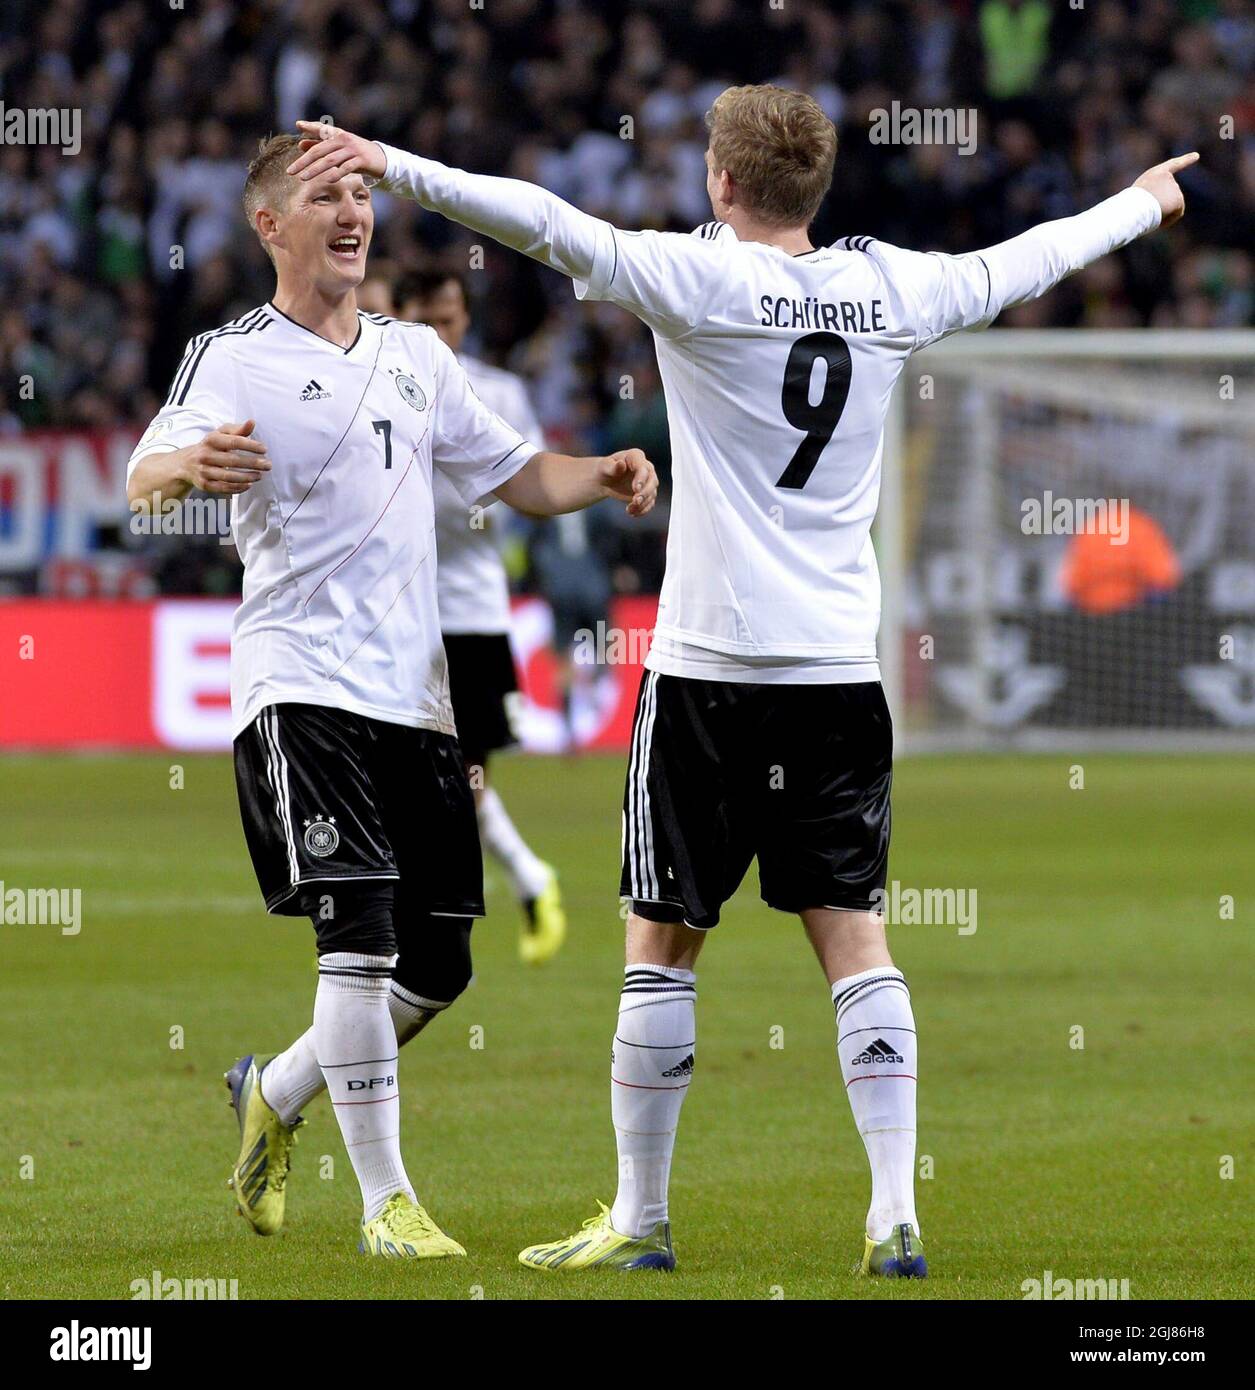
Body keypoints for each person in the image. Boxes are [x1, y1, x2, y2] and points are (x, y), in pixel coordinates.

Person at [286, 89, 1195, 1277]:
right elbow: (1022, 262)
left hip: (709, 669)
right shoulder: (892, 288)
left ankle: (641, 1217)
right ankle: (890, 1212)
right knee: (857, 942)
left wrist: (395, 161)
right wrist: (1137, 204)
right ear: (814, 190)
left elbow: (550, 225)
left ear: (721, 182)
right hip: (836, 671)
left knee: (660, 944)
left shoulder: (697, 279)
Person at [125, 133, 656, 1259]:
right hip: (298, 685)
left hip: (416, 702)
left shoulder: (419, 355)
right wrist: (187, 469)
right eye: (326, 193)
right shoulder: (232, 356)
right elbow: (143, 473)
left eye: (362, 189)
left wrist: (597, 479)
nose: (354, 208)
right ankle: (386, 1206)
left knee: (442, 958)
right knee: (356, 935)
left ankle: (271, 1090)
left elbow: (518, 476)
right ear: (270, 224)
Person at [394, 270, 566, 963]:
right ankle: (512, 883)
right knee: (415, 774)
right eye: (427, 321)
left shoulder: (496, 393)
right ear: (400, 317)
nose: (443, 334)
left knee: (463, 776)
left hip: (470, 614)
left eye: (451, 320)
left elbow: (516, 488)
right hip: (398, 614)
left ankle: (501, 890)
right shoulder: (380, 385)